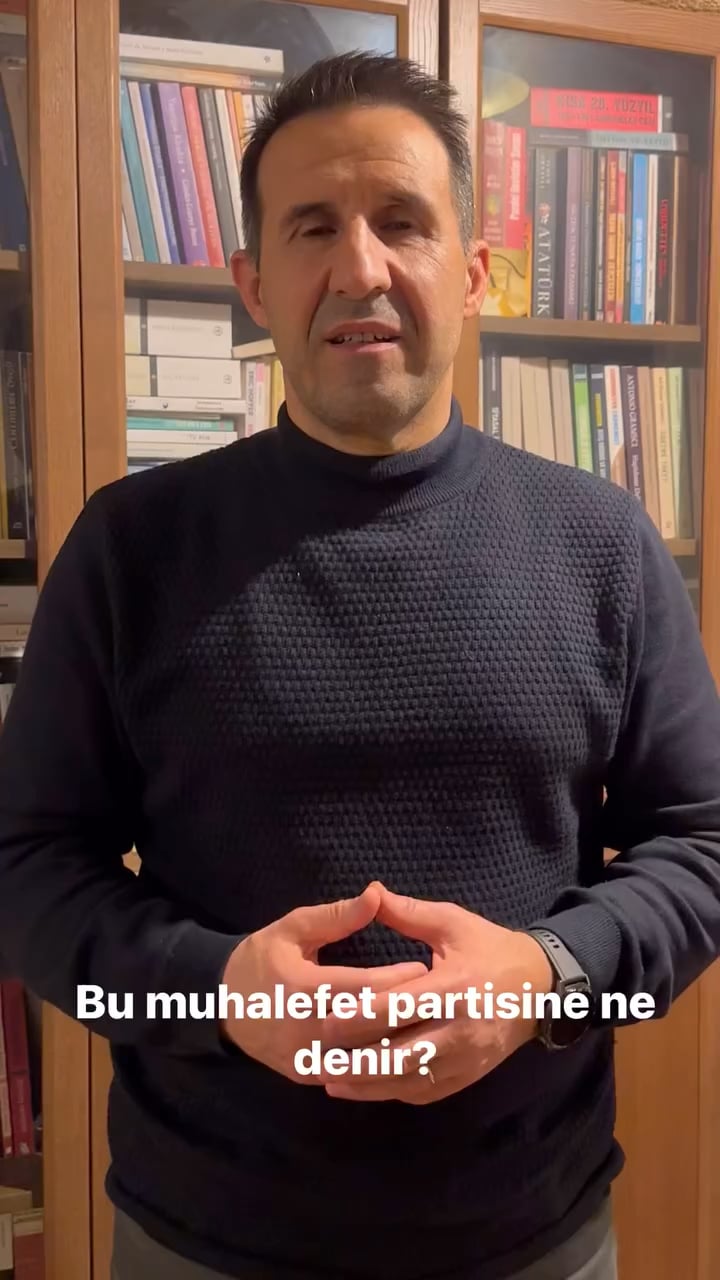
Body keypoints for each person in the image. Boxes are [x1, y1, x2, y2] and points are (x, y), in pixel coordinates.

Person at [0, 49, 719, 1280]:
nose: (362, 267)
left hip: (535, 1237)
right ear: (253, 283)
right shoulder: (130, 549)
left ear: (474, 270)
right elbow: (27, 870)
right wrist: (213, 990)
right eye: (313, 227)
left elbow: (702, 849)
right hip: (199, 1240)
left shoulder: (603, 542)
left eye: (403, 221)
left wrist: (549, 977)